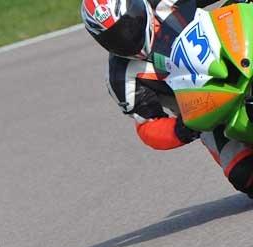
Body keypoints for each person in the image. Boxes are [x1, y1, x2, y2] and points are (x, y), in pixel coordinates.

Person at [81, 0, 253, 196]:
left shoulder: (166, 2)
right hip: (205, 112)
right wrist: (181, 129)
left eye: (130, 22)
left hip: (233, 50)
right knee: (242, 173)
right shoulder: (121, 76)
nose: (127, 36)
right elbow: (148, 125)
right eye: (115, 37)